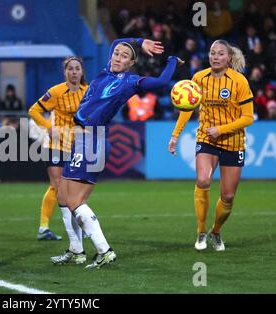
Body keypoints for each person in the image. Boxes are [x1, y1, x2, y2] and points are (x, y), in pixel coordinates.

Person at [51, 38, 183, 269]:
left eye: (124, 56)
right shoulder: (105, 72)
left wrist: (172, 60)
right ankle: (76, 249)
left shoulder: (132, 82)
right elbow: (117, 41)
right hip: (83, 138)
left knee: (74, 200)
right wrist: (141, 42)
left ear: (131, 63)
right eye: (116, 54)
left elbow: (162, 81)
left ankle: (104, 250)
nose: (117, 57)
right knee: (63, 194)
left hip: (92, 139)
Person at [168, 39, 254, 252]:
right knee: (203, 179)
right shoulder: (199, 78)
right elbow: (187, 108)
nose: (215, 57)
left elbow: (248, 117)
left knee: (228, 196)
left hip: (233, 142)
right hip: (206, 139)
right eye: (212, 53)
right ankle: (200, 230)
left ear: (229, 58)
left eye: (220, 54)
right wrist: (175, 135)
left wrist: (222, 129)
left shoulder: (239, 81)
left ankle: (215, 231)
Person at [28, 56, 88, 241]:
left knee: (75, 188)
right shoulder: (56, 91)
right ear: (65, 72)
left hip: (77, 145)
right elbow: (33, 110)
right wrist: (48, 127)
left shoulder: (88, 91)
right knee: (58, 185)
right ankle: (45, 228)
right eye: (70, 68)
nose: (74, 72)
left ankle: (79, 225)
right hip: (55, 145)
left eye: (77, 68)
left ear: (82, 71)